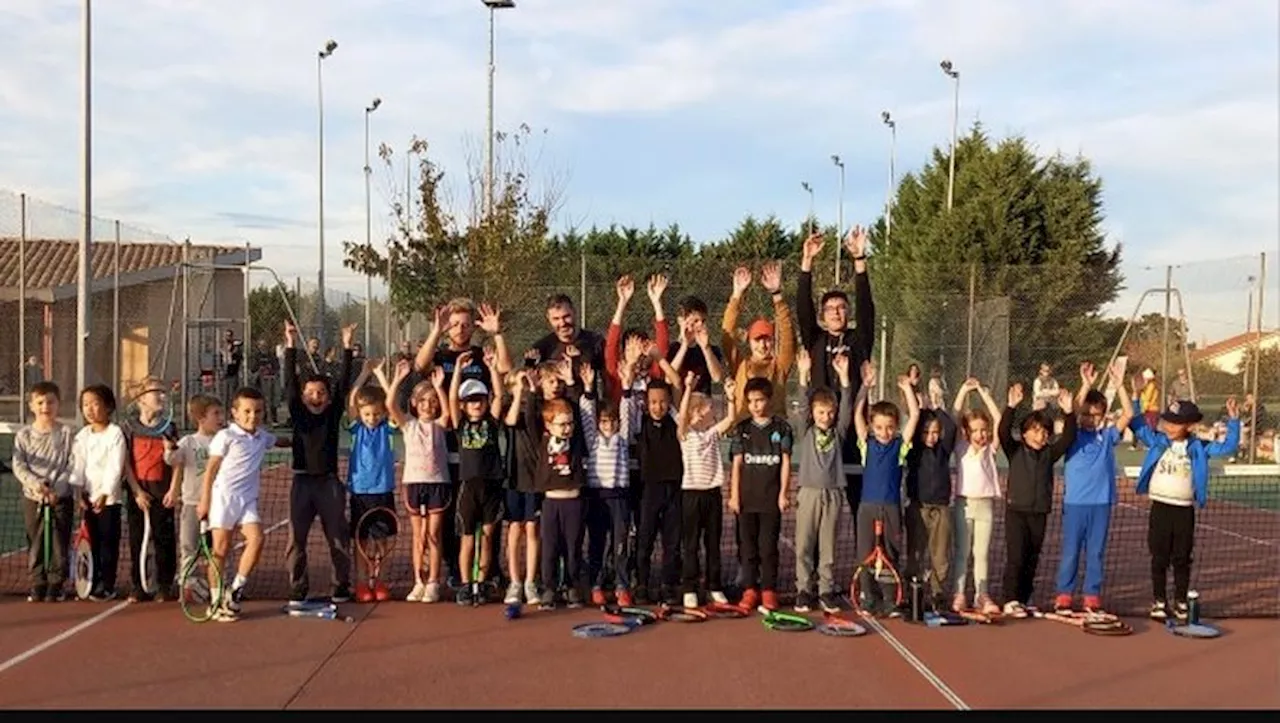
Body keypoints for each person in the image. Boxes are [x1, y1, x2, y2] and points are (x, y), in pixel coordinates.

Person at [414, 300, 512, 589]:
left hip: (480, 453)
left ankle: (489, 572)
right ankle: (456, 571)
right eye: (455, 324)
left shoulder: (483, 355)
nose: (460, 329)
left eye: (466, 324)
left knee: (488, 517)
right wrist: (436, 331)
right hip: (444, 449)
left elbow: (505, 368)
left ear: (474, 327)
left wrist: (497, 333)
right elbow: (420, 366)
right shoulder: (441, 355)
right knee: (451, 516)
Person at [796, 227, 875, 543]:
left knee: (859, 501)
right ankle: (814, 577)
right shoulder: (815, 340)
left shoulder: (858, 340)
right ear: (823, 315)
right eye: (830, 309)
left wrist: (859, 259)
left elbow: (868, 309)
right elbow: (802, 308)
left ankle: (863, 565)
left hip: (853, 432)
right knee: (818, 510)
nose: (837, 313)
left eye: (842, 308)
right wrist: (806, 263)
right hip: (820, 437)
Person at [1132, 396, 1240, 622]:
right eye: (1168, 421)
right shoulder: (1158, 441)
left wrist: (1234, 419)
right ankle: (1159, 601)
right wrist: (1135, 397)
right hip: (1160, 508)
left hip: (1184, 510)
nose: (1169, 426)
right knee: (1159, 557)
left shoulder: (1198, 446)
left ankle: (1181, 601)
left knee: (1181, 557)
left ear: (1189, 425)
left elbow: (1229, 447)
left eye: (1176, 422)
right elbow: (1138, 425)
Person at [282, 319, 356, 604]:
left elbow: (344, 383)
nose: (316, 396)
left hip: (328, 483)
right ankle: (298, 586)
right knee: (296, 539)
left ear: (327, 398)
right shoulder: (298, 413)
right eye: (311, 392)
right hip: (301, 482)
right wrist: (290, 343)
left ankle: (340, 585)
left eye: (321, 393)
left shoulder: (332, 412)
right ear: (303, 397)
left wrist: (347, 346)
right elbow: (289, 381)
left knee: (337, 536)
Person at [1054, 361, 1134, 615]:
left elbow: (1128, 415)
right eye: (1086, 414)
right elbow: (1073, 410)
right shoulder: (1073, 435)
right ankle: (1064, 596)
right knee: (1070, 552)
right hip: (1075, 504)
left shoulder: (1108, 436)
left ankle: (1091, 596)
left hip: (1101, 504)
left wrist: (1119, 386)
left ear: (1103, 415)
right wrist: (1085, 385)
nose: (1089, 418)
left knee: (1096, 552)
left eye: (1095, 415)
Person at [197, 387, 278, 622]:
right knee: (220, 550)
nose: (253, 416)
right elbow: (211, 469)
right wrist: (205, 500)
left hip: (248, 499)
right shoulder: (226, 437)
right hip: (224, 498)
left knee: (257, 539)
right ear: (235, 413)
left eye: (258, 411)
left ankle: (235, 591)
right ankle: (215, 601)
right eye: (247, 411)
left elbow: (279, 440)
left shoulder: (263, 437)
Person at [997, 382, 1076, 617]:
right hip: (1016, 512)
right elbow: (1002, 431)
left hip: (1039, 512)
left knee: (1032, 557)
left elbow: (1069, 437)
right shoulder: (1014, 451)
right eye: (1035, 430)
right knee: (1016, 557)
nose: (1040, 434)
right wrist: (1011, 406)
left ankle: (1024, 597)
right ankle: (1010, 599)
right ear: (1024, 433)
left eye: (1044, 431)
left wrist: (1069, 412)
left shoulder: (1049, 454)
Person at [851, 363, 919, 616]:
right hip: (867, 507)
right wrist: (865, 388)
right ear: (872, 427)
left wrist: (907, 389)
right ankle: (868, 597)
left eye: (890, 427)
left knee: (890, 552)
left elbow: (913, 415)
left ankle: (890, 600)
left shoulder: (900, 446)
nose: (884, 432)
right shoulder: (866, 445)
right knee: (865, 552)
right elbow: (858, 416)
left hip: (891, 507)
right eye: (879, 427)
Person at [384, 359, 452, 603]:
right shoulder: (408, 425)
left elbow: (448, 412)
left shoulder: (440, 425)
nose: (428, 405)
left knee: (433, 534)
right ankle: (418, 581)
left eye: (432, 401)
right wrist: (398, 379)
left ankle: (433, 581)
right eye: (423, 401)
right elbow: (390, 403)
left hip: (437, 484)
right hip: (414, 483)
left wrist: (440, 388)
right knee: (418, 536)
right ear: (414, 403)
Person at [792, 349, 853, 614]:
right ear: (813, 413)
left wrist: (844, 379)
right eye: (820, 412)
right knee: (804, 543)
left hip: (833, 493)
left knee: (828, 546)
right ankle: (804, 590)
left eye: (829, 413)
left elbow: (848, 410)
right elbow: (803, 405)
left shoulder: (838, 434)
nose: (825, 417)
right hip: (809, 493)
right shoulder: (805, 432)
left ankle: (826, 590)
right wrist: (803, 374)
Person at [729, 377, 794, 613]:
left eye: (760, 400)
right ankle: (749, 589)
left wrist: (783, 493)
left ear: (769, 399)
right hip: (746, 501)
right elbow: (736, 465)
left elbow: (785, 462)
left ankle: (768, 589)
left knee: (768, 547)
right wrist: (734, 495)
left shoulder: (782, 428)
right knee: (748, 547)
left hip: (770, 500)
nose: (756, 405)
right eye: (751, 401)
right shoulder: (742, 429)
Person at [448, 351, 507, 605]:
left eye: (480, 399)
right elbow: (451, 398)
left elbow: (500, 395)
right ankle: (465, 584)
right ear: (463, 404)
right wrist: (458, 370)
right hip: (468, 487)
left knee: (487, 538)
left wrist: (493, 368)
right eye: (471, 400)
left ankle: (481, 583)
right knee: (467, 539)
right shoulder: (460, 424)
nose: (476, 403)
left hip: (492, 485)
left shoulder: (492, 422)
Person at [677, 371, 738, 609]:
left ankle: (714, 586)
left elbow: (731, 419)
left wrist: (731, 397)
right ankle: (689, 587)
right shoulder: (685, 435)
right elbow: (682, 418)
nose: (713, 412)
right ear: (697, 412)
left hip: (712, 494)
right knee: (691, 543)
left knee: (713, 543)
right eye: (709, 409)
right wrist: (688, 389)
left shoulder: (712, 434)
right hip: (691, 494)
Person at [578, 361, 637, 607]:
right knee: (597, 543)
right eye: (604, 421)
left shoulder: (623, 438)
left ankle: (622, 586)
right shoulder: (593, 440)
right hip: (597, 498)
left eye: (612, 421)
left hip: (620, 498)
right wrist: (589, 388)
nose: (609, 425)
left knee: (620, 544)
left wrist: (626, 387)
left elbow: (627, 412)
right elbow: (587, 415)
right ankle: (596, 584)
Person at [12, 381, 75, 602]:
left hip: (61, 496)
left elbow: (71, 464)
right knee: (36, 539)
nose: (45, 407)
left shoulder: (66, 433)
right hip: (33, 497)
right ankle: (38, 582)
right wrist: (36, 485)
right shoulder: (24, 435)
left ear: (58, 405)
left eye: (50, 402)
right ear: (31, 405)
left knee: (59, 540)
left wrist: (57, 488)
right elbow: (19, 465)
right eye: (40, 402)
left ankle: (56, 583)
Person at [120, 376, 180, 602]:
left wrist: (173, 489)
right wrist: (136, 491)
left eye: (164, 393)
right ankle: (138, 584)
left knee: (164, 538)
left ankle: (165, 584)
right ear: (141, 400)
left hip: (162, 492)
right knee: (137, 539)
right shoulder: (129, 429)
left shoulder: (169, 427)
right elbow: (125, 462)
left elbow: (177, 462)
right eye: (157, 393)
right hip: (139, 493)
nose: (162, 397)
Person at [949, 377, 1004, 616]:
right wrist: (963, 390)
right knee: (962, 552)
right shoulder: (961, 448)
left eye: (984, 430)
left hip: (986, 507)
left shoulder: (991, 449)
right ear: (966, 432)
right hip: (964, 505)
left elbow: (1000, 420)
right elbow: (953, 416)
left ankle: (982, 594)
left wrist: (983, 393)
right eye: (975, 430)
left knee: (981, 554)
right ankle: (959, 593)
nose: (980, 434)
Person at [346, 358, 400, 603]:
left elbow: (391, 402)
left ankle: (380, 580)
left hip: (383, 490)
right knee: (362, 541)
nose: (372, 417)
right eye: (367, 413)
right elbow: (352, 400)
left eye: (376, 413)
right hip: (360, 492)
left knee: (382, 541)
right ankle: (360, 582)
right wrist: (363, 374)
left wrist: (380, 375)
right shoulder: (357, 427)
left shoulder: (386, 428)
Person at [164, 394, 224, 604]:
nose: (220, 418)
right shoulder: (188, 442)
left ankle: (220, 584)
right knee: (189, 547)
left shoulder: (222, 441)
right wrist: (169, 447)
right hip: (191, 503)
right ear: (201, 418)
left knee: (218, 548)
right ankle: (187, 586)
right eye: (215, 413)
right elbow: (173, 460)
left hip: (218, 505)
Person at [71, 384, 129, 602]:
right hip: (88, 499)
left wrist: (105, 493)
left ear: (108, 407)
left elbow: (116, 466)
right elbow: (78, 465)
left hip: (109, 501)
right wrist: (79, 492)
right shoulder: (82, 436)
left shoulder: (115, 434)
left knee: (108, 543)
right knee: (91, 543)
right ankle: (91, 582)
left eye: (95, 404)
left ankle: (107, 584)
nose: (90, 409)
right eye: (85, 405)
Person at [720, 261, 795, 419]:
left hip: (774, 432)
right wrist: (737, 294)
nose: (762, 345)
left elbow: (788, 333)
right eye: (757, 340)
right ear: (750, 342)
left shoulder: (780, 365)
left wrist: (777, 295)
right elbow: (726, 335)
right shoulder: (740, 364)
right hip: (744, 429)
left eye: (767, 339)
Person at [634, 376, 684, 606]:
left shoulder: (676, 422)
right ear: (646, 403)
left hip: (674, 488)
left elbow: (675, 382)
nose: (658, 407)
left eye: (663, 402)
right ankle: (642, 584)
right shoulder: (640, 424)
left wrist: (659, 359)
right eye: (653, 402)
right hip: (648, 490)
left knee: (672, 542)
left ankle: (668, 585)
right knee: (644, 540)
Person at [904, 401, 957, 610]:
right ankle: (913, 592)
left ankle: (938, 593)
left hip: (941, 508)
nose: (931, 437)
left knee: (940, 555)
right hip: (918, 507)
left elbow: (951, 427)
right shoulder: (914, 450)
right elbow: (914, 423)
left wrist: (936, 408)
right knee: (915, 554)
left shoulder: (943, 450)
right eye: (926, 432)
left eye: (935, 432)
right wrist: (923, 411)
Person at [502, 365, 543, 606]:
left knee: (533, 529)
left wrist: (532, 389)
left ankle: (530, 581)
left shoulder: (537, 409)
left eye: (526, 382)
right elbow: (511, 420)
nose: (524, 386)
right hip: (514, 479)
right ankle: (515, 581)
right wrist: (519, 391)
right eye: (519, 383)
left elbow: (532, 421)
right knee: (515, 529)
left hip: (534, 479)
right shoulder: (510, 408)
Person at [603, 274, 672, 403]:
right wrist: (622, 303)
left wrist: (656, 302)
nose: (637, 353)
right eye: (631, 348)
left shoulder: (653, 374)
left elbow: (663, 345)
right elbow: (611, 345)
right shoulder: (617, 373)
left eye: (640, 347)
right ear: (623, 352)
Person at [531, 293, 606, 399]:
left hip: (588, 409)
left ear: (574, 313)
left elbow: (607, 378)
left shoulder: (594, 341)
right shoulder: (542, 347)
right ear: (548, 319)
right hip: (555, 411)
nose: (562, 323)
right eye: (556, 319)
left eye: (566, 317)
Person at [666, 293, 725, 396]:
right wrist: (685, 345)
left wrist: (706, 348)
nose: (700, 325)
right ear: (681, 321)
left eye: (703, 321)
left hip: (702, 403)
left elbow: (717, 377)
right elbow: (669, 379)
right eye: (696, 321)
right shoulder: (673, 349)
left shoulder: (711, 350)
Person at [250, 339, 280, 426]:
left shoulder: (272, 355)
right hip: (260, 380)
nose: (263, 347)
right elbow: (253, 368)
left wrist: (270, 368)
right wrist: (260, 367)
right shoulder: (256, 356)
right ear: (258, 346)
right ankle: (264, 418)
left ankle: (274, 419)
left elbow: (276, 366)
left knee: (273, 399)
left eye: (265, 345)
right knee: (263, 399)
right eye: (261, 345)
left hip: (271, 379)